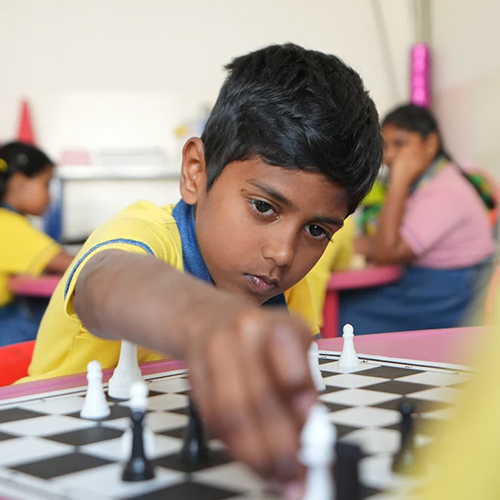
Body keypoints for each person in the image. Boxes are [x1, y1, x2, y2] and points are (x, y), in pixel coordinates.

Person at [21, 44, 382, 496]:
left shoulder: (285, 283)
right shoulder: (146, 235)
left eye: (316, 230)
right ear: (196, 171)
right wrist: (207, 323)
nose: (283, 253)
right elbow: (106, 282)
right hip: (48, 459)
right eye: (263, 206)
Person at [340, 104, 496, 335]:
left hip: (451, 294)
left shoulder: (445, 190)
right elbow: (387, 241)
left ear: (430, 143)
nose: (389, 156)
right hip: (430, 283)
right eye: (385, 146)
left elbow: (387, 252)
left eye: (400, 144)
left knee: (343, 311)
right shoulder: (428, 182)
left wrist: (399, 180)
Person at [0, 142, 74, 346]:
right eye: (46, 184)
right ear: (19, 182)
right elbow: (73, 262)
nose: (50, 196)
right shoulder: (7, 224)